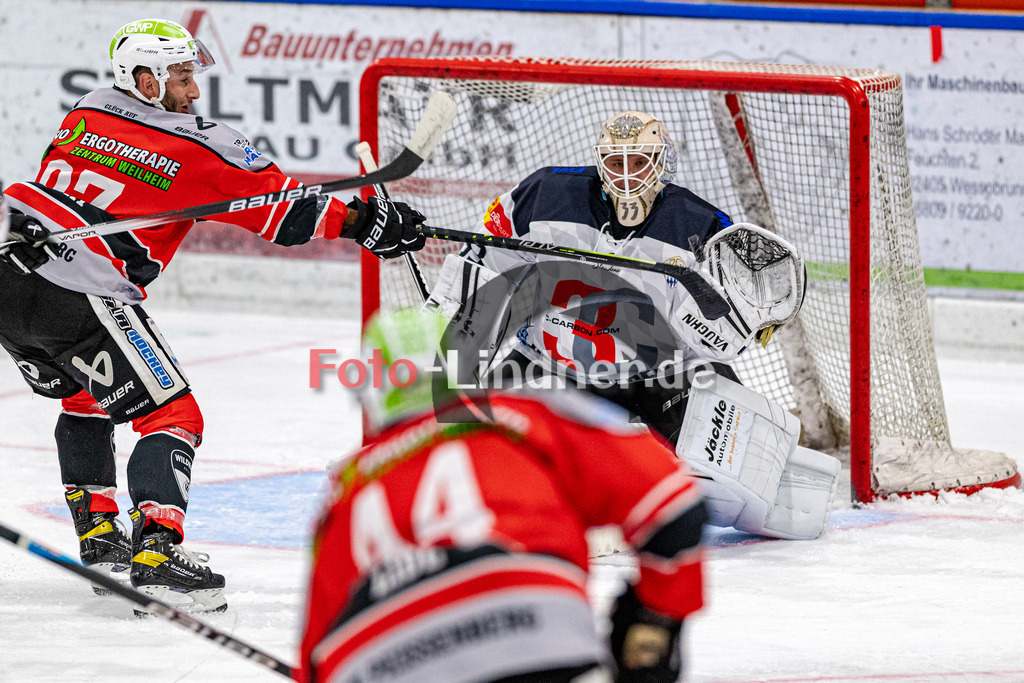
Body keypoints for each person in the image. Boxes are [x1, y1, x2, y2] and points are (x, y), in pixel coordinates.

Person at [0, 18, 426, 614]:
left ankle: (101, 541)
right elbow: (285, 214)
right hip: (80, 284)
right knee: (173, 414)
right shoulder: (201, 146)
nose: (193, 90)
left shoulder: (87, 111)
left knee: (84, 399)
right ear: (145, 79)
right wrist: (366, 223)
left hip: (9, 272)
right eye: (180, 77)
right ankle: (156, 556)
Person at [426, 110, 841, 541]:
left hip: (655, 375)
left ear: (662, 163)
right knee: (474, 444)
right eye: (616, 162)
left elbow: (719, 340)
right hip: (548, 363)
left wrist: (736, 322)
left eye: (639, 162)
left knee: (738, 479)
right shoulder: (542, 195)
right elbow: (479, 271)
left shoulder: (700, 228)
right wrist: (445, 344)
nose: (626, 175)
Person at [299, 307, 706, 683]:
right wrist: (654, 620)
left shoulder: (345, 491)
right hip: (538, 632)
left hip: (385, 660)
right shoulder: (519, 415)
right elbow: (672, 504)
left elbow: (318, 655)